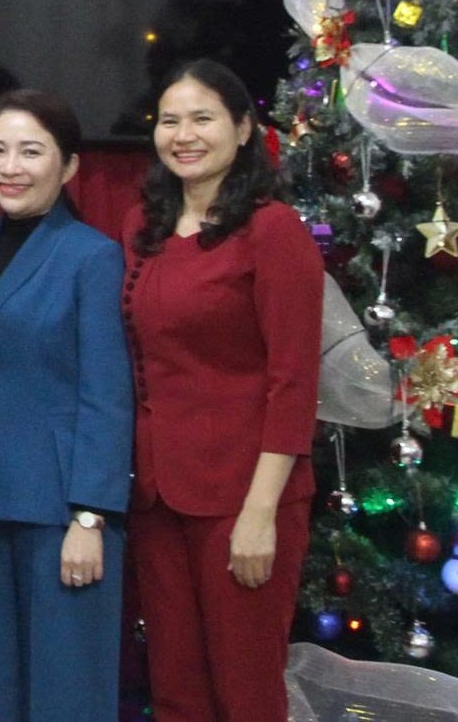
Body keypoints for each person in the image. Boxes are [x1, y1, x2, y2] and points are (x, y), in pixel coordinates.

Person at [123, 59, 322, 722]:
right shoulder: (143, 228)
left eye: (202, 118)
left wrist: (259, 513)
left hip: (242, 499)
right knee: (175, 691)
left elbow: (293, 383)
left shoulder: (273, 230)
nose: (183, 135)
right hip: (158, 495)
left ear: (242, 129)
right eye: (169, 120)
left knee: (245, 693)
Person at [0, 89, 131, 722]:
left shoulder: (92, 255)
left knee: (64, 692)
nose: (10, 167)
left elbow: (106, 393)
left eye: (31, 152)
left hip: (58, 513)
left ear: (69, 166)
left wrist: (91, 516)